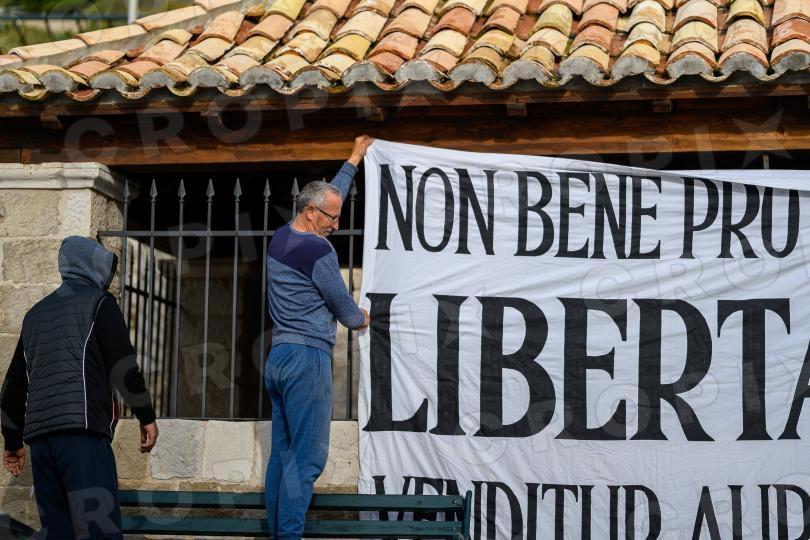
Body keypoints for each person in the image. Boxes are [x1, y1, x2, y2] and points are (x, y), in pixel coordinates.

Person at [1, 236, 158, 539]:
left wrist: (12, 442)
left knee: (59, 533)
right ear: (94, 267)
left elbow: (12, 389)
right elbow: (123, 365)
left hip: (42, 445)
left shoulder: (34, 315)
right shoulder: (100, 304)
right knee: (100, 531)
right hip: (83, 437)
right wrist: (146, 415)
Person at [264, 135, 373, 538]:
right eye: (331, 218)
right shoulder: (319, 253)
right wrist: (363, 317)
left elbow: (329, 197)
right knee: (308, 459)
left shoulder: (281, 237)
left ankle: (278, 534)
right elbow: (345, 311)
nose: (336, 225)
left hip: (278, 358)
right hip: (307, 360)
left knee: (282, 456)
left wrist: (353, 159)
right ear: (310, 212)